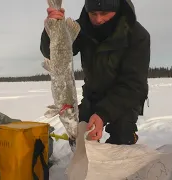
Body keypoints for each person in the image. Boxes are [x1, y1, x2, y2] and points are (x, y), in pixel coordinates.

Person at [40, 0, 150, 145]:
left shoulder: (137, 35)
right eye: (93, 13)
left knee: (122, 138)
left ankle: (128, 136)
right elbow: (52, 54)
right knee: (79, 136)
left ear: (116, 9)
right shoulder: (82, 28)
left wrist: (102, 115)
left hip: (124, 97)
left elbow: (134, 85)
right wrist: (52, 30)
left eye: (104, 13)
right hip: (93, 95)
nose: (98, 19)